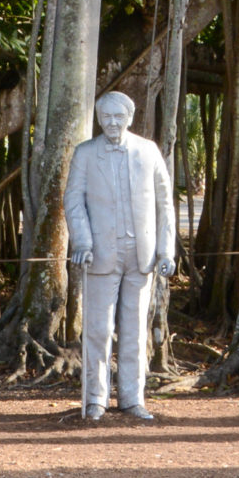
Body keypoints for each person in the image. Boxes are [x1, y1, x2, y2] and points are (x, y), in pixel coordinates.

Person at [63, 91, 174, 422]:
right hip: (100, 252)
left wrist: (165, 250)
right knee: (97, 329)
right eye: (106, 117)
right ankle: (95, 398)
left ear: (130, 117)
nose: (112, 123)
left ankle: (132, 397)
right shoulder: (85, 154)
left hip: (141, 255)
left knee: (135, 330)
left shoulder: (148, 151)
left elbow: (164, 205)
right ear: (99, 119)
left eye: (118, 117)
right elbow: (73, 200)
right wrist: (81, 242)